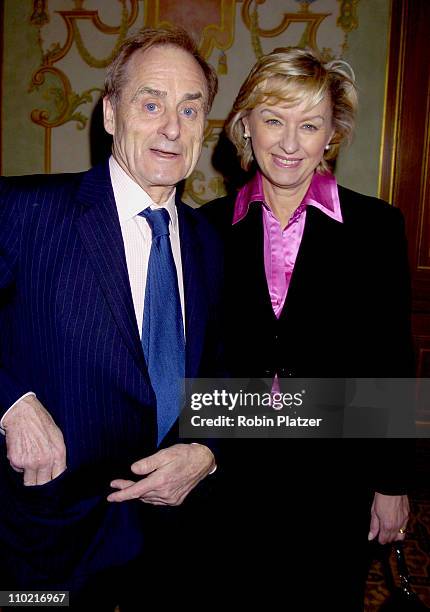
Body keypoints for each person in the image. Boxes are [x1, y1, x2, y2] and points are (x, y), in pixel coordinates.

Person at [0, 26, 223, 610]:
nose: (172, 128)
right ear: (109, 114)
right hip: (48, 540)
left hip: (171, 537)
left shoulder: (212, 243)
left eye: (190, 109)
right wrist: (9, 402)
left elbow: (228, 375)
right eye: (151, 104)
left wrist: (209, 448)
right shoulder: (25, 211)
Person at [202, 47, 414, 610]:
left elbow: (392, 357)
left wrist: (391, 482)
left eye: (310, 124)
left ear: (331, 135)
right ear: (245, 125)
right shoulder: (204, 230)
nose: (290, 143)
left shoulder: (376, 227)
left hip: (334, 480)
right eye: (273, 120)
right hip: (233, 477)